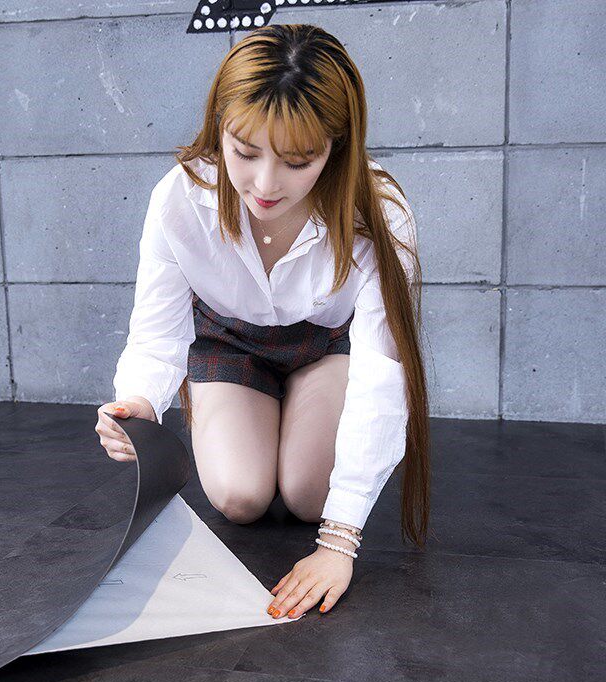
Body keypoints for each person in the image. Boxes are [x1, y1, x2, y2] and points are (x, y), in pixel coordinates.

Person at [96, 23, 431, 621]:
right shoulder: (180, 197)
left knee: (309, 497)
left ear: (336, 147)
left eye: (298, 160)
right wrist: (140, 403)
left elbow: (382, 373)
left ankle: (298, 410)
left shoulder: (379, 210)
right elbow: (157, 331)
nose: (266, 185)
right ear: (219, 127)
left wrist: (339, 544)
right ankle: (239, 407)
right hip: (228, 343)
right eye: (245, 152)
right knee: (240, 496)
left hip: (327, 349)